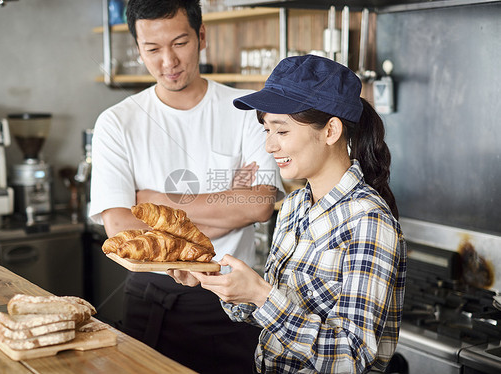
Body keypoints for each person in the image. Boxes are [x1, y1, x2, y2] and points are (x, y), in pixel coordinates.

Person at [170, 55, 407, 373]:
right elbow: (268, 312)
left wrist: (261, 294)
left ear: (330, 130)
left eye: (281, 132)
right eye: (266, 130)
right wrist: (214, 277)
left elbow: (350, 359)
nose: (269, 146)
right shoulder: (294, 207)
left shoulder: (368, 221)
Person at [89, 0, 284, 373]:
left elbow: (257, 205)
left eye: (179, 43)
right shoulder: (117, 123)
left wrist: (156, 202)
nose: (168, 61)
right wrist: (223, 209)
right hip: (151, 301)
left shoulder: (245, 110)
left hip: (233, 299)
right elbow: (120, 228)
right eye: (152, 49)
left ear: (201, 36)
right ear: (138, 48)